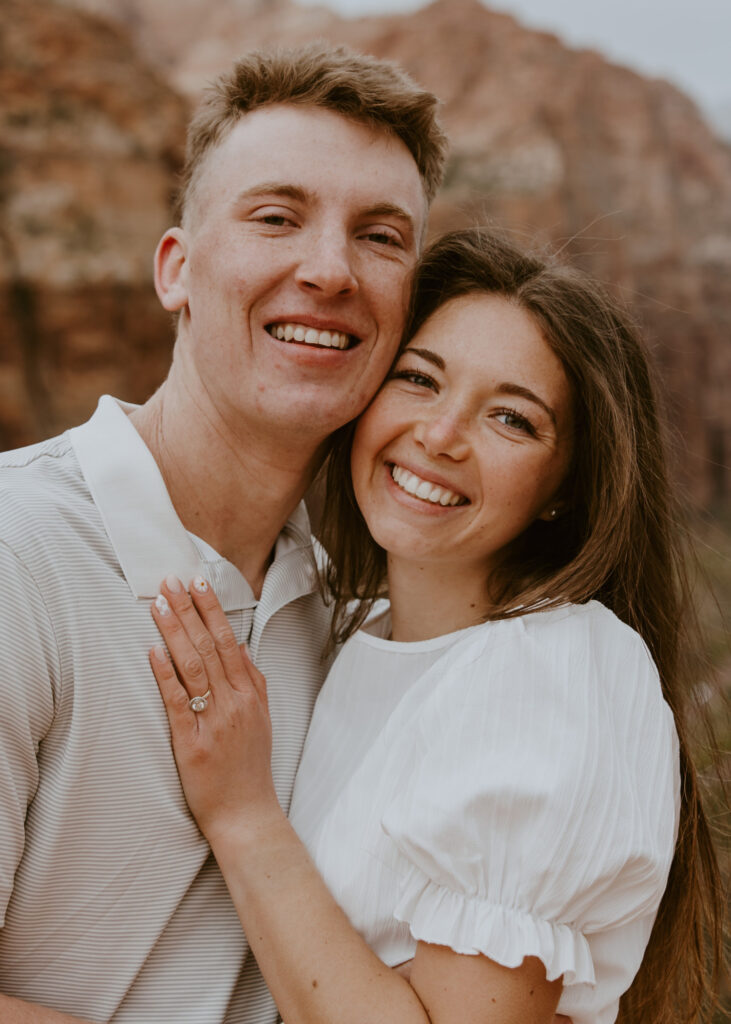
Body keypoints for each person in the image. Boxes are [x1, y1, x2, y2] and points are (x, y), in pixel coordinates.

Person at [149, 229, 722, 1024]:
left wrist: (242, 817)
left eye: (512, 420)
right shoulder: (354, 631)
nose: (440, 435)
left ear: (566, 485)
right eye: (419, 379)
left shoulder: (550, 674)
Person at [0, 44, 448, 1023]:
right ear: (177, 270)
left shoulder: (352, 634)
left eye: (380, 236)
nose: (328, 270)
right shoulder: (17, 554)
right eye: (275, 217)